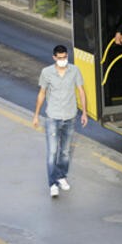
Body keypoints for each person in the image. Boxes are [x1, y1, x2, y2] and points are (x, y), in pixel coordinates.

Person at [33, 44, 88, 198]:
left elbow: (81, 91)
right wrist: (36, 115)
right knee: (52, 152)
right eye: (60, 58)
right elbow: (42, 94)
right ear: (54, 58)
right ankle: (52, 184)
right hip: (52, 118)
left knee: (64, 152)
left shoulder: (74, 71)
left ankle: (61, 176)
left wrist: (84, 112)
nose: (63, 60)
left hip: (70, 117)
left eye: (65, 57)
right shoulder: (47, 73)